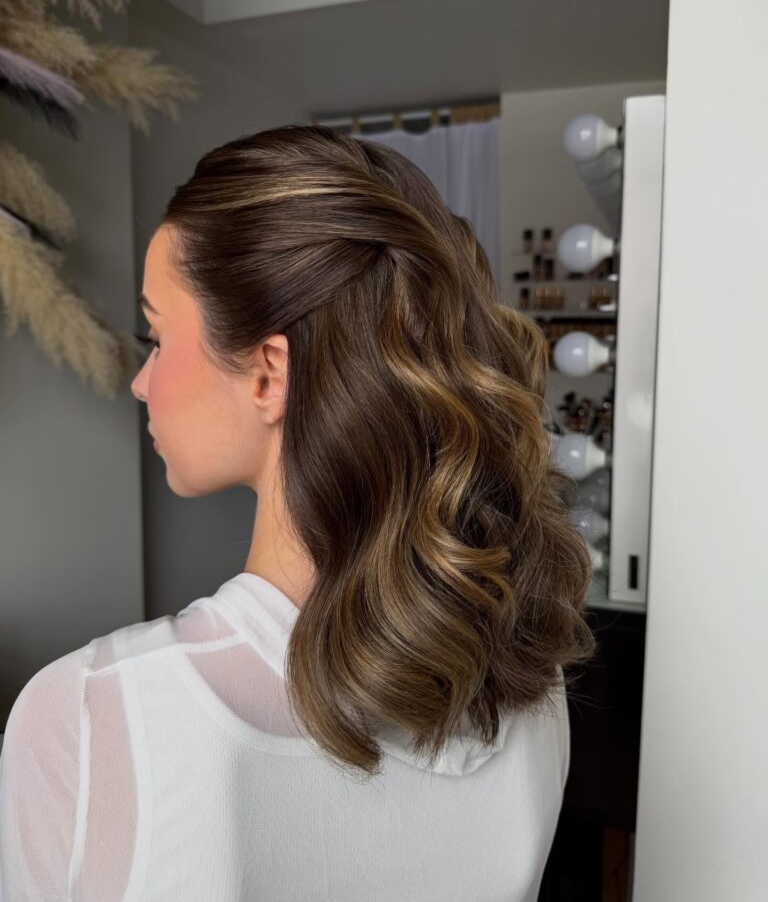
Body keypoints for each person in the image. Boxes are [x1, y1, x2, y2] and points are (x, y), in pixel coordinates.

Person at [0, 125, 596, 901]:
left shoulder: (94, 713)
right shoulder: (534, 683)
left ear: (269, 373)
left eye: (157, 336)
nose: (142, 382)